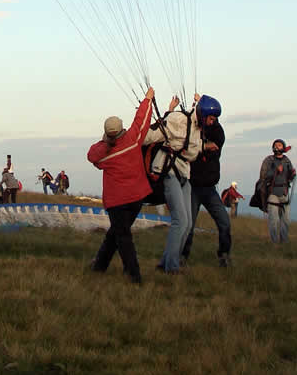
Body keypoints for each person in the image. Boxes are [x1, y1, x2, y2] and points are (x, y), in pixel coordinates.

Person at [87, 87, 155, 285]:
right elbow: (142, 121)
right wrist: (148, 99)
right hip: (137, 198)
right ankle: (100, 266)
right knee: (117, 233)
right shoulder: (133, 139)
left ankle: (134, 276)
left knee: (122, 235)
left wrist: (105, 142)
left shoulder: (104, 154)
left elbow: (92, 156)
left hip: (117, 202)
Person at [142, 94, 196, 274]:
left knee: (187, 224)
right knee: (181, 221)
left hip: (184, 174)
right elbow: (164, 129)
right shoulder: (174, 125)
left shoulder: (192, 127)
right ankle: (171, 267)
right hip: (169, 172)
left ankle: (166, 262)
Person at [182, 94, 232, 268]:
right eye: (210, 118)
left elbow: (214, 135)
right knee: (188, 225)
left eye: (214, 119)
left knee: (224, 223)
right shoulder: (192, 131)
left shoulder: (217, 133)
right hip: (193, 187)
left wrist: (204, 108)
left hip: (210, 189)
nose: (213, 121)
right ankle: (182, 256)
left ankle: (224, 255)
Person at [259, 140, 296, 244]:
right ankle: (274, 242)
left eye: (279, 145)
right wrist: (274, 171)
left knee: (286, 220)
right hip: (272, 193)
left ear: (283, 147)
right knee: (274, 220)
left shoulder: (287, 161)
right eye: (275, 145)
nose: (276, 147)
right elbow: (263, 177)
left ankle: (284, 241)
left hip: (284, 192)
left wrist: (292, 174)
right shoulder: (268, 160)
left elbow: (290, 176)